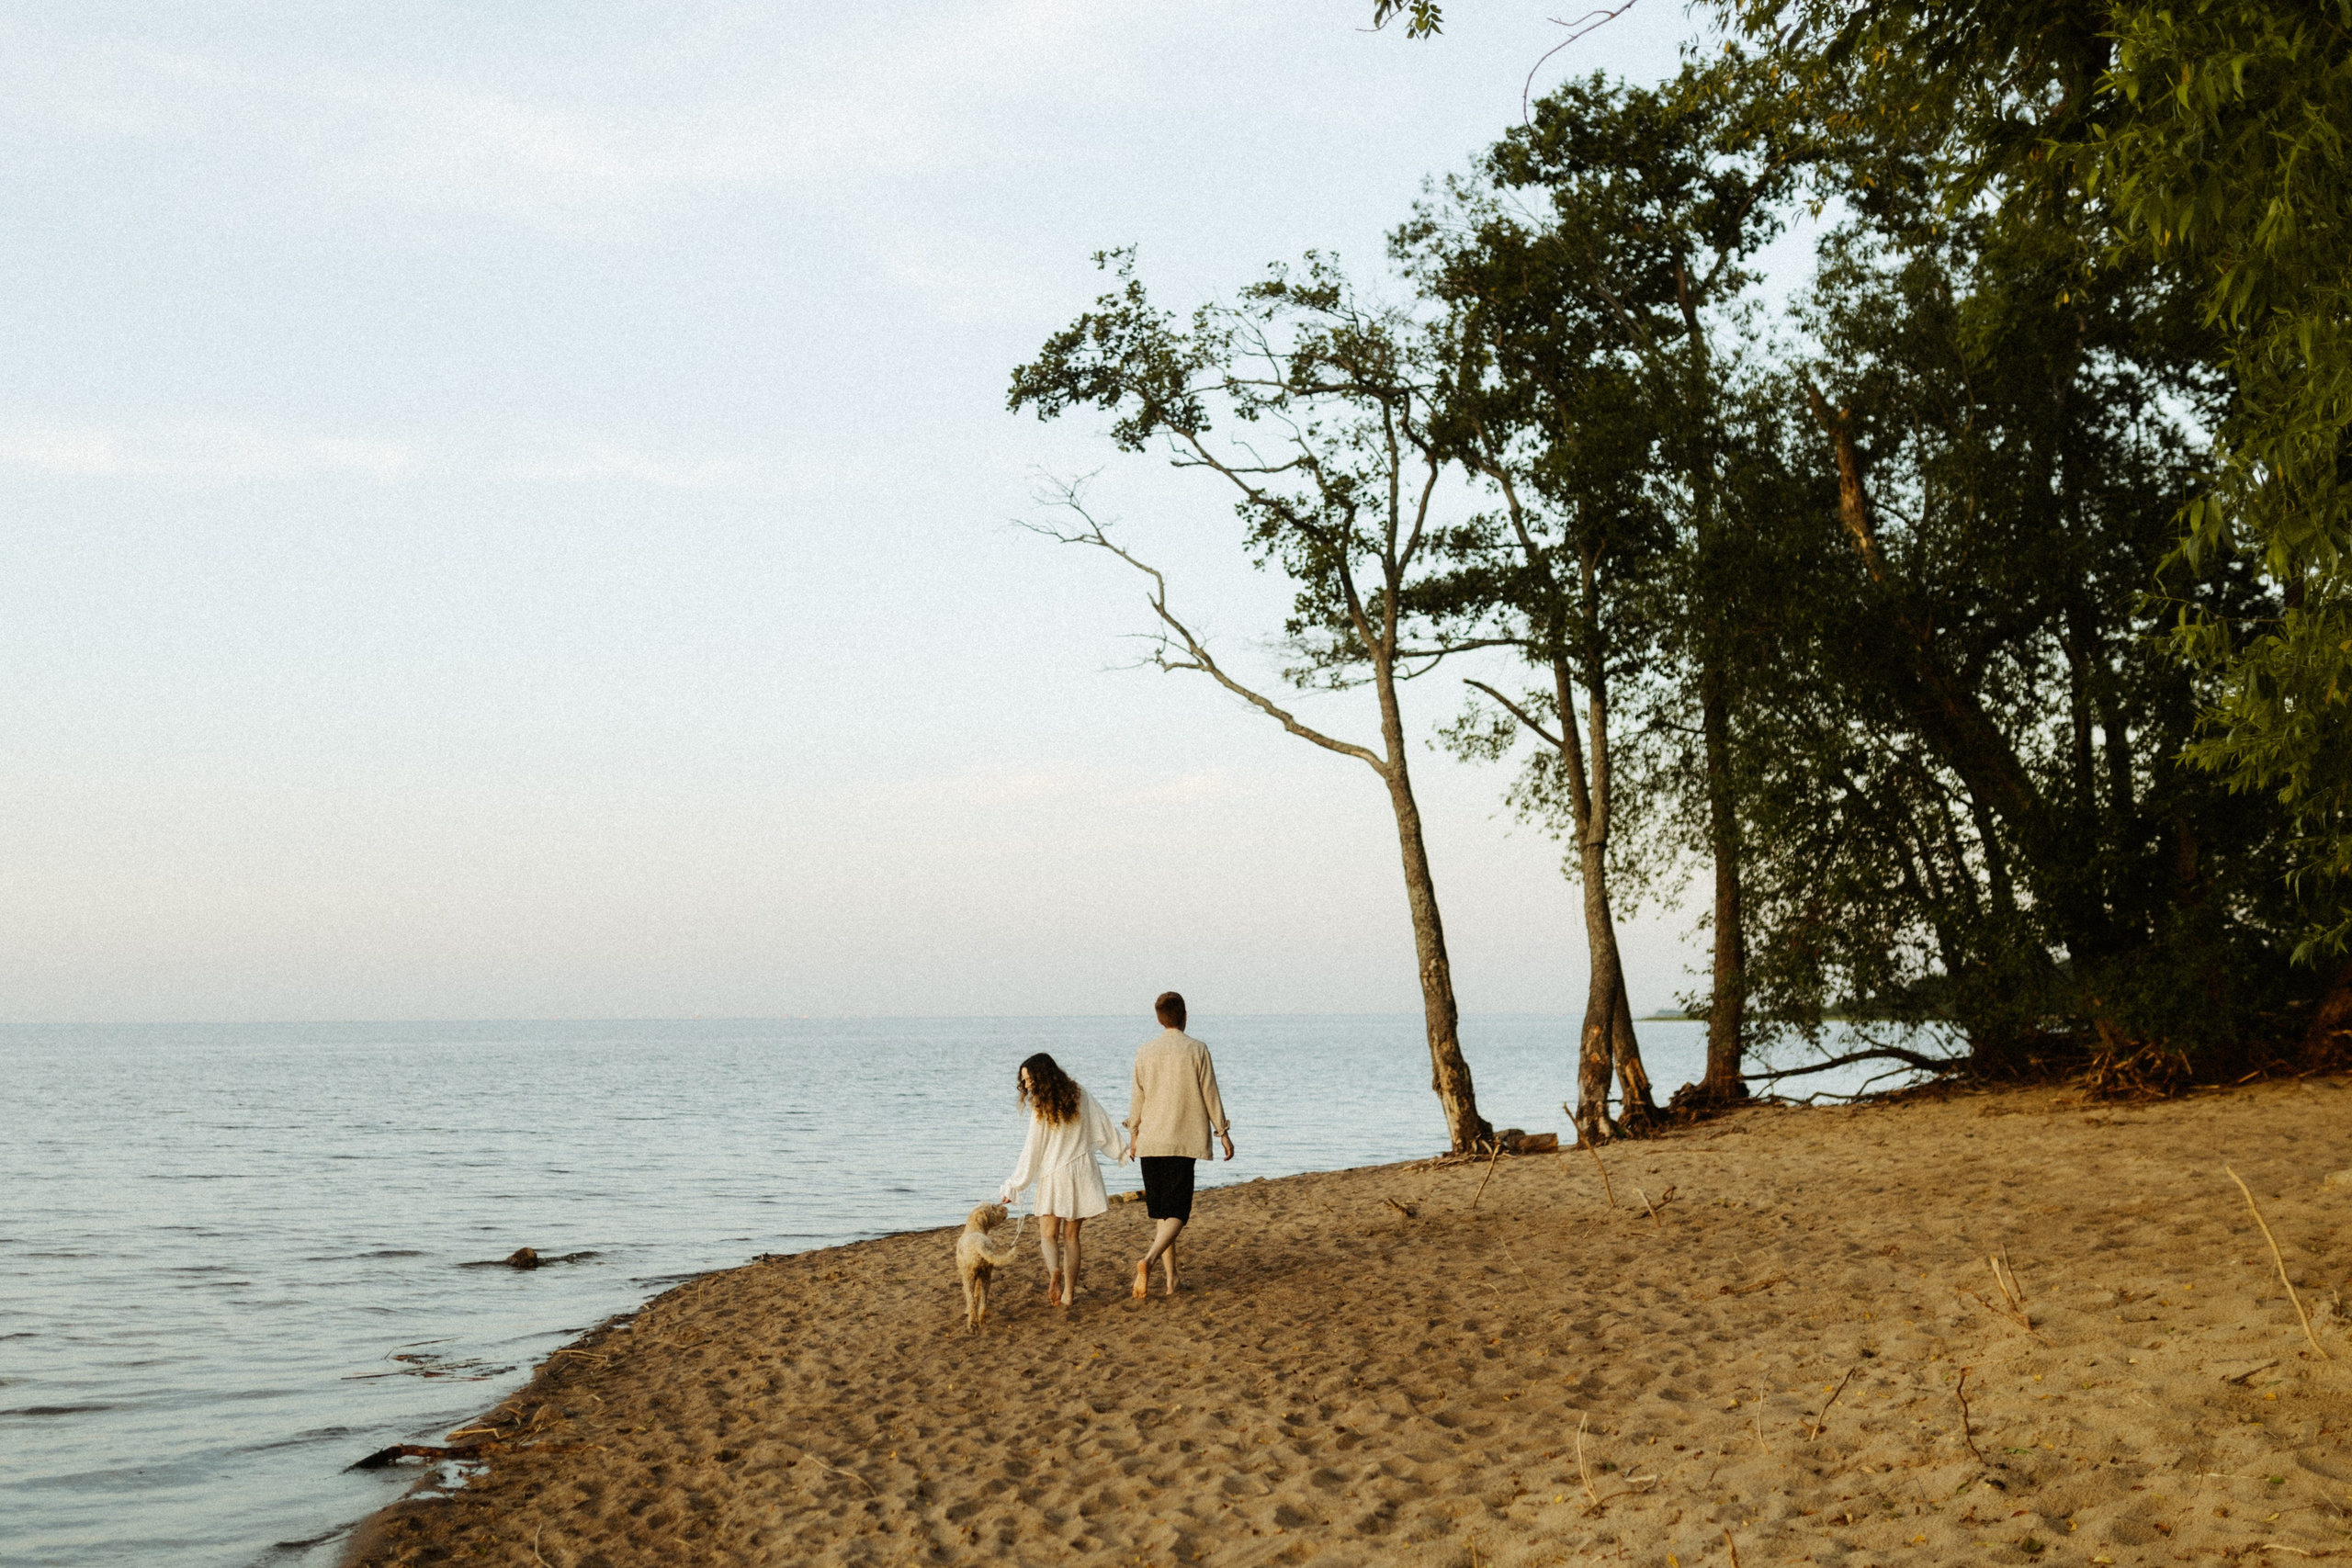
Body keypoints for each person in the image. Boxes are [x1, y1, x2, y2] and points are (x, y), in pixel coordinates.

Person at [1123, 991, 1233, 1300]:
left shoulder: (1145, 1051)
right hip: (1181, 1140)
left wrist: (1133, 1136)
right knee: (1179, 1213)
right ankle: (1149, 1260)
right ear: (1184, 1015)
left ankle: (1172, 1281)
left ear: (1159, 1018)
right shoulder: (1196, 1049)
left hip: (1150, 1141)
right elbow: (1210, 1093)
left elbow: (1138, 1097)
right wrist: (1222, 1132)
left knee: (1163, 1215)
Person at [998, 1052, 1122, 1309]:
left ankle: (1054, 1270)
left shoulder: (1041, 1106)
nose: (1027, 1085)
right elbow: (1103, 1124)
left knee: (1048, 1235)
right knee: (1072, 1238)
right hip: (1082, 1171)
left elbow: (1032, 1150)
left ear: (1041, 1077)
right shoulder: (1080, 1093)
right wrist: (1121, 1149)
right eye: (1025, 1081)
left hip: (1055, 1174)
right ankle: (1068, 1293)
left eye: (1029, 1079)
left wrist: (1014, 1184)